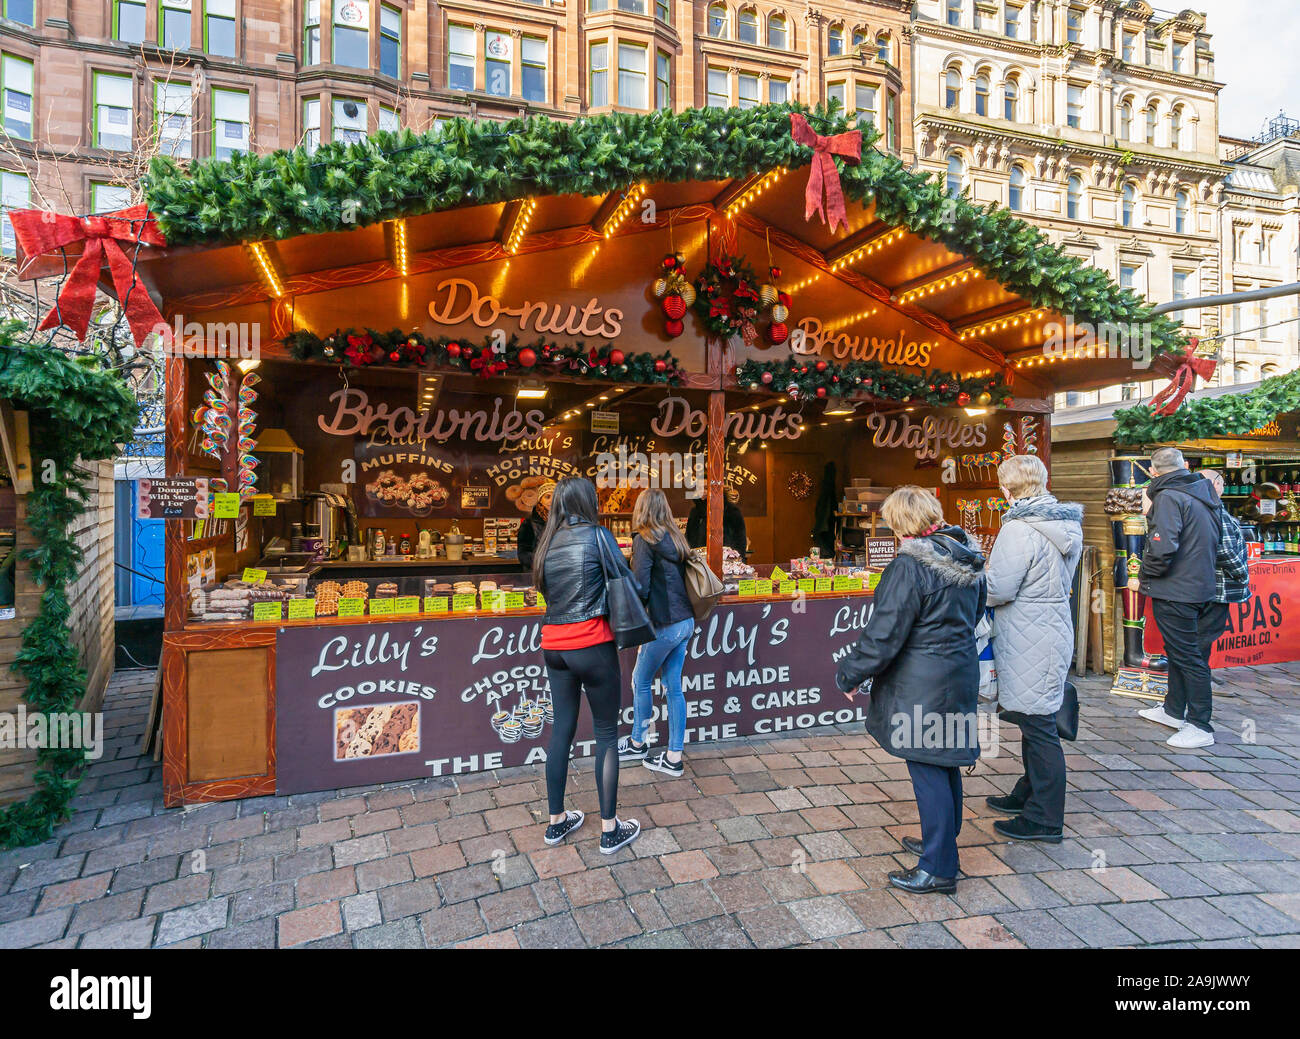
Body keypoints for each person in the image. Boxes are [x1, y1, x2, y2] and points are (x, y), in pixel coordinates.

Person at [836, 487, 986, 894]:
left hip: (923, 680)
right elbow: (975, 616)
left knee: (926, 767)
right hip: (958, 672)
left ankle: (938, 868)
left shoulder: (909, 565)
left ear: (899, 523)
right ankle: (942, 843)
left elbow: (884, 634)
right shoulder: (965, 555)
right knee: (943, 761)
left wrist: (849, 674)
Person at [533, 477, 640, 854]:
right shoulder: (598, 536)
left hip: (554, 646)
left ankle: (556, 822)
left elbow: (548, 593)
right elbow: (626, 581)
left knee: (561, 730)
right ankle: (610, 830)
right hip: (592, 643)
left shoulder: (546, 543)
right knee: (607, 734)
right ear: (588, 502)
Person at [983, 455, 1083, 844]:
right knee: (1035, 717)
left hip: (1026, 633)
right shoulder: (1064, 522)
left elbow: (999, 589)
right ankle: (1027, 794)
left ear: (1007, 489)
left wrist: (973, 580)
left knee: (1040, 726)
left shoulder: (1019, 529)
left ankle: (1044, 819)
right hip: (1052, 628)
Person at [1136, 447, 1224, 749]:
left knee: (1189, 657)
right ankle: (1174, 711)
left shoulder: (1169, 497)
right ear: (1183, 466)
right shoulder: (1204, 493)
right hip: (1200, 586)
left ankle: (1200, 725)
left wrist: (1144, 575)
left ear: (1154, 472)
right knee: (1182, 652)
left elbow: (1162, 546)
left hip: (1176, 589)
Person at [617, 489, 695, 776]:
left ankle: (638, 741)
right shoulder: (677, 538)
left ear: (641, 510)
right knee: (673, 686)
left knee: (641, 679)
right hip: (686, 622)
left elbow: (641, 588)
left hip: (664, 624)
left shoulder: (644, 541)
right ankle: (674, 757)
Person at [1198, 468, 1250, 698]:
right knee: (1204, 635)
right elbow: (1224, 550)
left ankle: (1203, 674)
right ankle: (1200, 680)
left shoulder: (1198, 509)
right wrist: (1242, 574)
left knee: (1202, 635)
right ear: (1216, 485)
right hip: (1219, 586)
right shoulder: (1216, 512)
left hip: (1203, 584)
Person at [686, 486, 748, 558]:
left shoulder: (731, 510)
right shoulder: (695, 512)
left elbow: (740, 540)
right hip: (699, 563)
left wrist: (737, 560)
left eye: (706, 488)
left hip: (725, 561)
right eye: (700, 488)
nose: (703, 491)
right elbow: (688, 538)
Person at [515, 479, 556, 570]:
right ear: (540, 500)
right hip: (537, 573)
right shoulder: (529, 523)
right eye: (547, 497)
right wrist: (541, 564)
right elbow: (523, 553)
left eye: (555, 497)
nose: (551, 501)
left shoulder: (565, 520)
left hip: (560, 573)